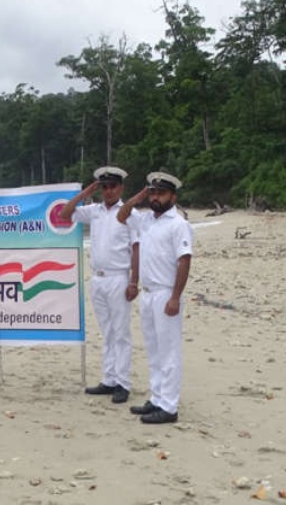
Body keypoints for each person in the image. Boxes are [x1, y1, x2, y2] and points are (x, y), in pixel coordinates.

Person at [59, 166, 140, 404]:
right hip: (98, 278)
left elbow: (136, 248)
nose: (108, 191)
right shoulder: (93, 211)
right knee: (107, 332)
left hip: (118, 277)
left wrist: (134, 281)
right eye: (104, 187)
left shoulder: (129, 214)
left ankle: (123, 383)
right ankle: (109, 379)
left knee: (121, 333)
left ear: (121, 188)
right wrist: (86, 193)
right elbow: (65, 213)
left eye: (112, 186)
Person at [117, 171, 193, 424]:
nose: (157, 197)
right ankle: (157, 398)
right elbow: (121, 214)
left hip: (165, 293)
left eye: (161, 193)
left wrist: (175, 297)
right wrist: (140, 196)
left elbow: (184, 261)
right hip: (148, 294)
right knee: (153, 350)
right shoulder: (147, 220)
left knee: (168, 352)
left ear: (173, 196)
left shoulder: (178, 224)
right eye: (154, 192)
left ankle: (169, 407)